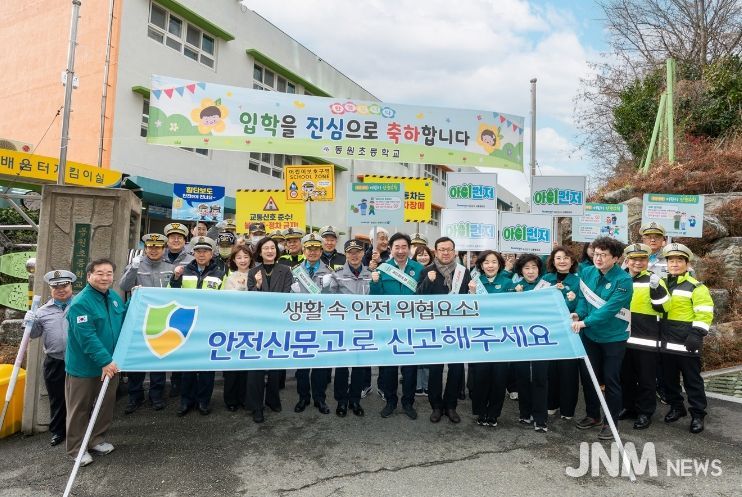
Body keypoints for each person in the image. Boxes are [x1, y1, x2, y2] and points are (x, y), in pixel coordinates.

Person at [572, 236, 633, 441]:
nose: (598, 258)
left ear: (615, 258)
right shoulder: (587, 272)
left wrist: (585, 322)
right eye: (596, 254)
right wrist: (578, 314)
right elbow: (583, 299)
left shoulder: (623, 280)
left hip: (613, 338)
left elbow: (610, 309)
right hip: (590, 336)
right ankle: (593, 415)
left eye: (603, 255)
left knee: (611, 380)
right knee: (590, 377)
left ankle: (611, 423)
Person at [64, 259, 124, 467]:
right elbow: (86, 337)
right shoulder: (80, 303)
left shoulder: (114, 297)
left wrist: (137, 298)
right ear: (89, 275)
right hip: (85, 367)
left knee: (105, 404)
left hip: (111, 365)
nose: (105, 277)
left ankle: (96, 440)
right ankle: (76, 449)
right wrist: (105, 361)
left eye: (109, 273)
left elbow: (124, 320)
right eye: (100, 273)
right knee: (79, 408)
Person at [416, 236, 472, 424]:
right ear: (436, 252)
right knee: (435, 369)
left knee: (456, 369)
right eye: (442, 249)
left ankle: (451, 405)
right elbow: (418, 298)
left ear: (454, 252)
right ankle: (436, 406)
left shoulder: (463, 272)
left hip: (457, 328)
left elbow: (470, 300)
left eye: (449, 249)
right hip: (435, 328)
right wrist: (428, 281)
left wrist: (473, 292)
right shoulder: (427, 271)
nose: (446, 253)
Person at [660, 243, 714, 434]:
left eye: (679, 261)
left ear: (687, 264)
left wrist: (696, 334)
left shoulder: (697, 287)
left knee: (692, 381)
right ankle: (677, 407)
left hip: (687, 342)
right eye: (671, 261)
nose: (674, 264)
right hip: (665, 342)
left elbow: (704, 313)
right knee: (669, 379)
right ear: (667, 264)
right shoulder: (661, 284)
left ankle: (698, 414)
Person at [370, 232, 424, 420]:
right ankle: (390, 401)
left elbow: (424, 296)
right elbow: (375, 299)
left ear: (409, 249)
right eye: (397, 247)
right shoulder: (382, 269)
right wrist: (375, 282)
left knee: (410, 369)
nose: (400, 251)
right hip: (389, 325)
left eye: (404, 247)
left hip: (411, 326)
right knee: (389, 368)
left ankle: (408, 402)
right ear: (390, 249)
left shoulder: (419, 269)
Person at [170, 236, 225, 416]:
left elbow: (225, 299)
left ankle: (203, 401)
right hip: (187, 324)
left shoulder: (220, 273)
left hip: (209, 325)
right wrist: (175, 278)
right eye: (198, 251)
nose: (201, 254)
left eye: (205, 251)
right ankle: (186, 401)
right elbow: (170, 294)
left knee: (206, 368)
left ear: (212, 254)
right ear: (193, 253)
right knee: (188, 367)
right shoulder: (183, 270)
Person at [119, 233, 174, 414]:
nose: (153, 250)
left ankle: (156, 395)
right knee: (137, 358)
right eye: (150, 247)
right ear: (145, 248)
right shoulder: (136, 265)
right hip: (139, 319)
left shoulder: (170, 267)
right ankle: (135, 396)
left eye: (157, 247)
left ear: (163, 249)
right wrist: (133, 269)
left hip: (161, 319)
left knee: (158, 358)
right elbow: (124, 286)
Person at [619, 243, 670, 430]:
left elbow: (665, 308)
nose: (638, 263)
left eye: (642, 259)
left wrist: (656, 289)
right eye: (634, 259)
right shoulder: (619, 279)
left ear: (647, 261)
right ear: (627, 261)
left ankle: (645, 412)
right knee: (626, 377)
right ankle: (629, 407)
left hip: (646, 339)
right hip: (622, 337)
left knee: (646, 379)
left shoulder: (654, 280)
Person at [25, 270, 77, 447]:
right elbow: (33, 334)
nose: (61, 289)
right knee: (57, 397)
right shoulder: (42, 311)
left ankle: (81, 429)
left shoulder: (80, 305)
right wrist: (29, 322)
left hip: (78, 359)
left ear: (71, 286)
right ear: (50, 289)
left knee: (80, 397)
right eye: (56, 287)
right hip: (55, 360)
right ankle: (58, 431)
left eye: (64, 285)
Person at [246, 237, 293, 423]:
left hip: (278, 322)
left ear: (277, 251)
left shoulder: (285, 270)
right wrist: (257, 286)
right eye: (265, 248)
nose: (269, 251)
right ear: (260, 251)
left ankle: (273, 400)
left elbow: (286, 295)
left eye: (272, 248)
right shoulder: (253, 272)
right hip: (257, 324)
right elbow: (251, 298)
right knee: (256, 366)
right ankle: (256, 406)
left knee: (275, 364)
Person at [322, 239, 371, 417]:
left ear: (363, 253)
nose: (354, 255)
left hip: (364, 326)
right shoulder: (337, 275)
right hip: (343, 327)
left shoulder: (370, 274)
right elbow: (329, 300)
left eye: (358, 252)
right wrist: (326, 287)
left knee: (359, 366)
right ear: (346, 254)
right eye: (350, 252)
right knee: (342, 366)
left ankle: (355, 400)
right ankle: (341, 401)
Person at [467, 250, 513, 426]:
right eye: (486, 262)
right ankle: (480, 411)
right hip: (481, 336)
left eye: (494, 262)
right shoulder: (475, 283)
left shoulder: (507, 282)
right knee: (481, 376)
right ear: (481, 265)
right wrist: (472, 294)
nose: (490, 265)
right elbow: (469, 311)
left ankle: (494, 413)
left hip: (501, 337)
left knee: (499, 377)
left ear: (500, 264)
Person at [291, 233, 333, 415]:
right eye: (309, 248)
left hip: (321, 324)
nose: (313, 252)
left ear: (321, 251)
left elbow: (334, 299)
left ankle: (319, 398)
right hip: (301, 324)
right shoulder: (294, 271)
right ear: (303, 250)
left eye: (316, 249)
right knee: (302, 366)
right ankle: (303, 397)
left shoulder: (330, 272)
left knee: (320, 365)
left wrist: (327, 289)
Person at [509, 254, 549, 433]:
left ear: (539, 269)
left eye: (534, 267)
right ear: (521, 271)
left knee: (540, 377)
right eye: (526, 268)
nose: (531, 271)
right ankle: (525, 413)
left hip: (542, 340)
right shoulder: (515, 289)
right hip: (521, 339)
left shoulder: (548, 287)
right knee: (522, 376)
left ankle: (540, 418)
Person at [542, 246, 582, 421]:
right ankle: (551, 404)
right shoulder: (545, 279)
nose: (562, 261)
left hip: (570, 331)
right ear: (553, 261)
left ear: (572, 261)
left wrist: (574, 306)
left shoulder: (579, 281)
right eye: (558, 258)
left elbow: (582, 304)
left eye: (566, 258)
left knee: (568, 371)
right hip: (550, 331)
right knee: (550, 370)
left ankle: (567, 408)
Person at [222, 245, 255, 411]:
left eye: (246, 256)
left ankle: (243, 397)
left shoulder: (256, 274)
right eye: (239, 257)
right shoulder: (229, 277)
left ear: (251, 258)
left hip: (251, 324)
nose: (243, 260)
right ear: (234, 260)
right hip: (233, 325)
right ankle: (230, 399)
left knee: (246, 365)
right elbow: (227, 302)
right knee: (232, 364)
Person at [412, 245, 435, 396]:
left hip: (431, 316)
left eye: (426, 254)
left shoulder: (435, 270)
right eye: (419, 255)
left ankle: (426, 384)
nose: (423, 257)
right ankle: (417, 384)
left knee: (428, 351)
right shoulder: (412, 271)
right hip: (414, 315)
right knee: (416, 351)